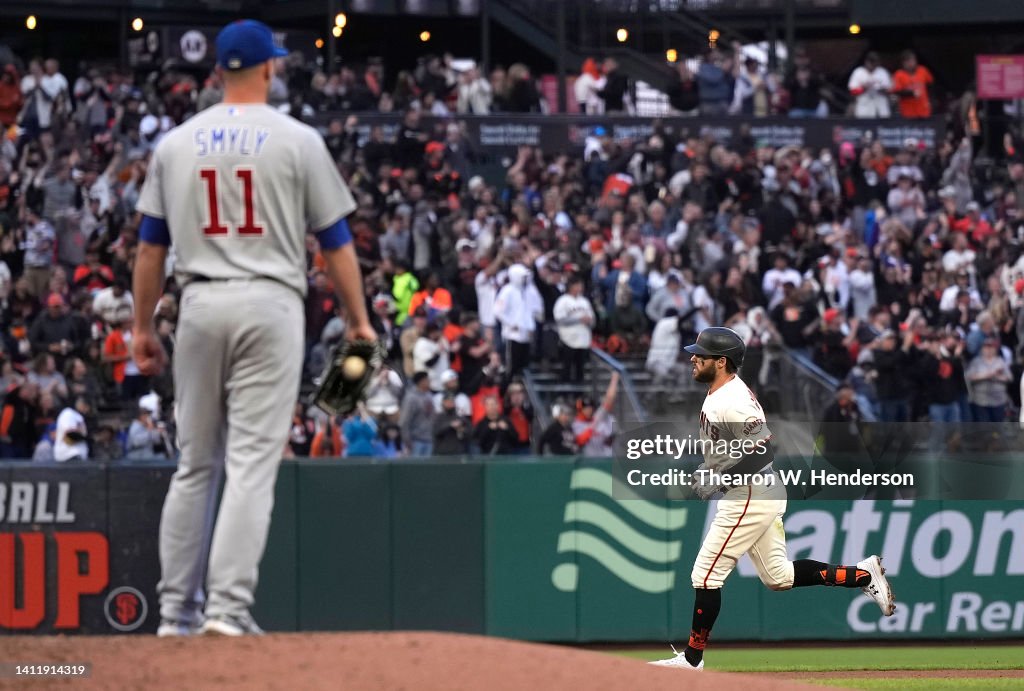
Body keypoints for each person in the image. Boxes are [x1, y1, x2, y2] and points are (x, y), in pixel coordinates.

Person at [132, 19, 376, 638]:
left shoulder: (176, 143)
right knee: (248, 466)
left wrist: (141, 326)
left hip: (200, 304)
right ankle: (227, 613)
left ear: (218, 72)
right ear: (269, 67)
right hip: (269, 304)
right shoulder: (296, 139)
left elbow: (149, 252)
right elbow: (336, 244)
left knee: (194, 466)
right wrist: (358, 321)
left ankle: (175, 618)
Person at [649, 327, 894, 671]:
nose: (693, 358)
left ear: (721, 362)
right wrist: (713, 466)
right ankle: (863, 575)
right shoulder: (722, 392)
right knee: (779, 577)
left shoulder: (730, 398)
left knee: (705, 575)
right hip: (757, 490)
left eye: (700, 355)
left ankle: (692, 661)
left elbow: (762, 449)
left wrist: (719, 477)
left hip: (751, 493)